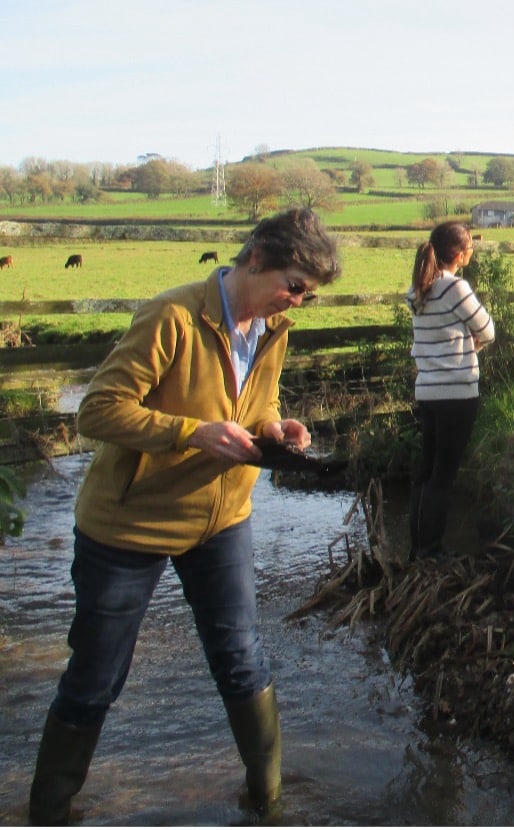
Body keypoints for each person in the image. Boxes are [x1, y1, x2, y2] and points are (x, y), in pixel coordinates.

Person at [29, 207, 341, 824]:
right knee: (97, 675)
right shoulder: (170, 315)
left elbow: (260, 400)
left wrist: (276, 427)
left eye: (306, 294)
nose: (298, 302)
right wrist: (190, 433)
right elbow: (97, 412)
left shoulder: (274, 327)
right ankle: (49, 811)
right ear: (255, 259)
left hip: (222, 518)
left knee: (242, 658)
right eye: (295, 286)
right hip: (128, 526)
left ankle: (268, 802)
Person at [406, 221, 495, 560]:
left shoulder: (420, 288)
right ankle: (432, 551)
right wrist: (473, 342)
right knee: (443, 476)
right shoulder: (455, 288)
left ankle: (417, 548)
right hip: (457, 393)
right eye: (470, 248)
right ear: (460, 254)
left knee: (425, 473)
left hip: (427, 391)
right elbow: (487, 330)